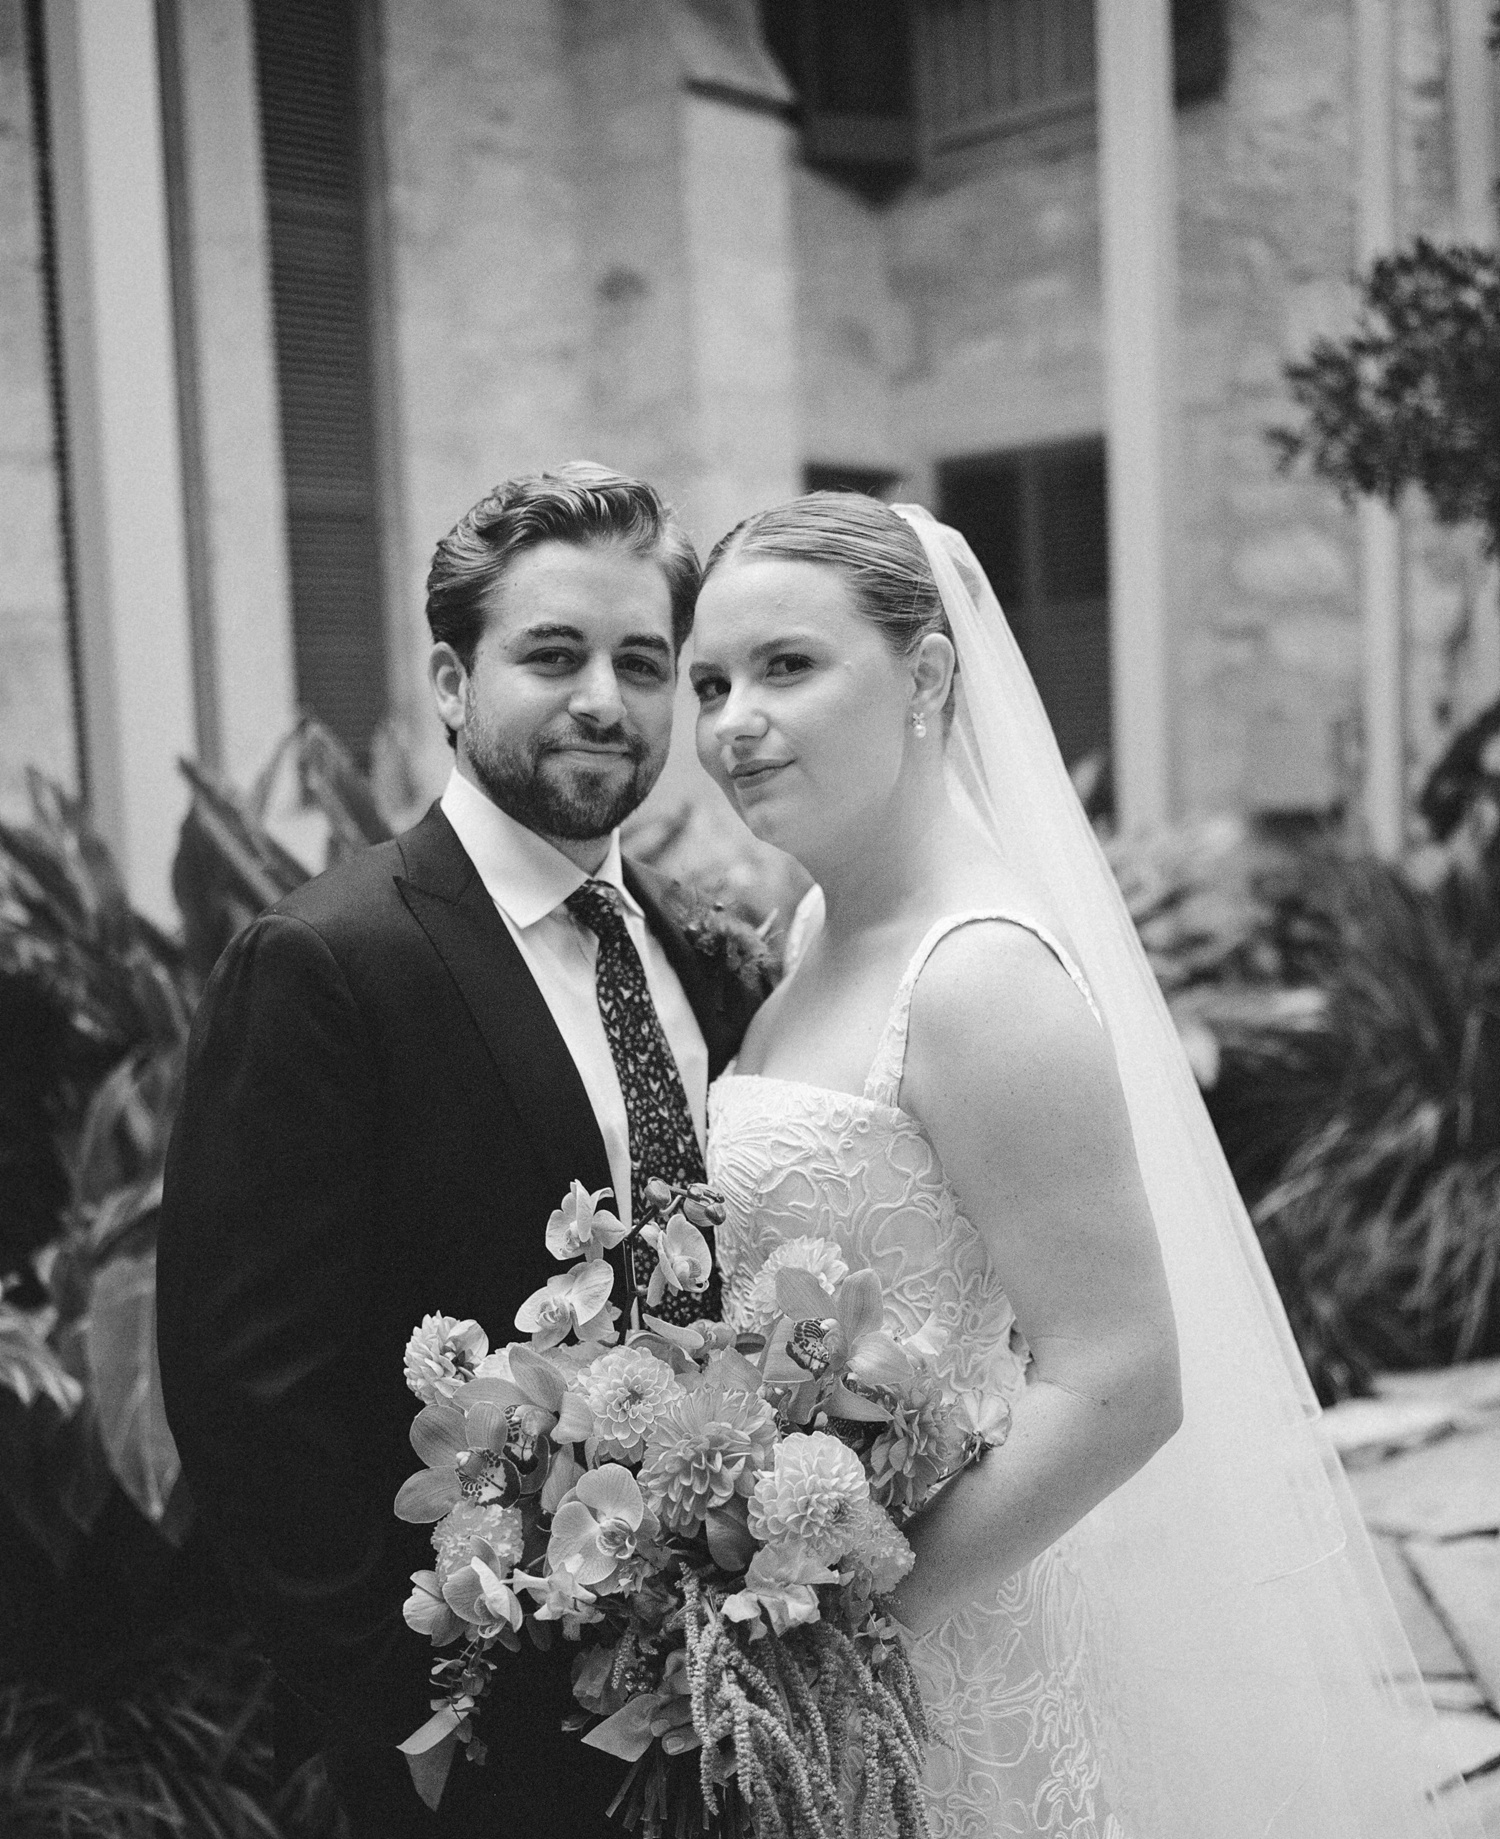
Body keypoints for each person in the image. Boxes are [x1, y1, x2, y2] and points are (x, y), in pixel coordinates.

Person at [688, 492, 1483, 1839]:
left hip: (937, 1655)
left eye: (786, 667)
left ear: (926, 676)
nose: (731, 724)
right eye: (711, 683)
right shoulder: (819, 926)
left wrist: (849, 1630)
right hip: (817, 1633)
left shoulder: (979, 977)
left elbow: (1119, 1383)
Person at [155, 464, 761, 1839]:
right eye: (553, 654)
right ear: (449, 679)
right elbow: (247, 1393)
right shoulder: (324, 961)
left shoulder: (700, 951)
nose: (604, 699)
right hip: (473, 1749)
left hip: (722, 1706)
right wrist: (410, 1719)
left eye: (642, 662)